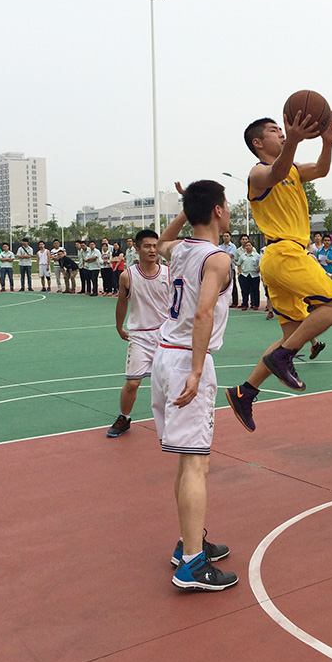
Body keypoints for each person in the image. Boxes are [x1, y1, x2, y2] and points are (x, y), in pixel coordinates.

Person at [225, 107, 332, 432]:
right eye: (274, 130)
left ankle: (245, 391)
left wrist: (327, 142)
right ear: (257, 142)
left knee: (290, 338)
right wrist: (293, 141)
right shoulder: (257, 173)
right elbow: (276, 173)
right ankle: (283, 357)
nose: (281, 133)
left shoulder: (292, 168)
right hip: (285, 253)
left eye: (282, 131)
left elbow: (321, 169)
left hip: (281, 258)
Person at [151, 180, 237, 591]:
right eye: (226, 204)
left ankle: (189, 542)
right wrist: (198, 371)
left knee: (190, 460)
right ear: (218, 210)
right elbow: (204, 314)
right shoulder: (217, 258)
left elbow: (160, 243)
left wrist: (187, 207)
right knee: (194, 464)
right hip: (188, 357)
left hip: (165, 354)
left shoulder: (181, 250)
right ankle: (191, 564)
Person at [107, 229, 171, 438]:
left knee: (171, 381)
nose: (152, 250)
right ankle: (124, 417)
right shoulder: (128, 276)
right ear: (137, 248)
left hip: (166, 337)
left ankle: (175, 420)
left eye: (155, 246)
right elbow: (121, 303)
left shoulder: (169, 273)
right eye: (147, 246)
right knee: (133, 383)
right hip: (140, 336)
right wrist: (119, 327)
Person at [237, 239, 262, 310]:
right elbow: (239, 264)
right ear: (245, 247)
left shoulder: (257, 256)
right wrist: (240, 273)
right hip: (244, 275)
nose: (248, 247)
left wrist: (259, 268)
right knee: (245, 291)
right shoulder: (242, 256)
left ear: (252, 247)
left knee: (255, 291)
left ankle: (256, 304)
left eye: (249, 245)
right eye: (247, 246)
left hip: (254, 275)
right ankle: (245, 304)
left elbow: (261, 263)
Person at [220, 230, 239, 307]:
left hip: (230, 268)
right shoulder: (220, 246)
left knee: (233, 285)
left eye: (227, 236)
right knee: (222, 285)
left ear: (230, 237)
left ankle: (235, 302)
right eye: (224, 236)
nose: (226, 237)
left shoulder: (233, 246)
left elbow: (229, 256)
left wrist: (221, 257)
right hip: (221, 268)